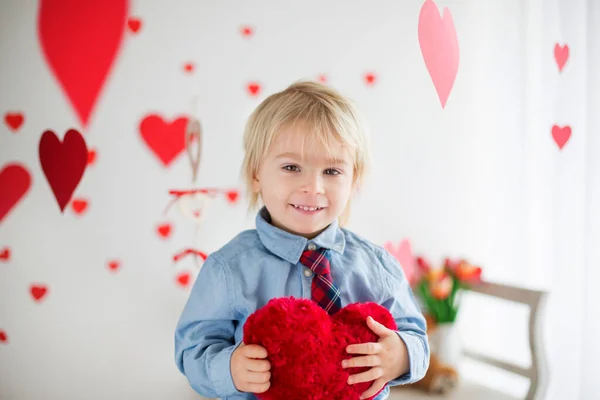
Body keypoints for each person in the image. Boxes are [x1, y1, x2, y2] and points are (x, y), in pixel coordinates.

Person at [174, 80, 429, 400]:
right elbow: (192, 349)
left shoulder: (378, 267)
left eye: (332, 172)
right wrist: (230, 368)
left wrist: (402, 354)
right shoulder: (228, 269)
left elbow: (416, 336)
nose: (313, 187)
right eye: (292, 167)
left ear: (354, 179)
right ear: (256, 175)